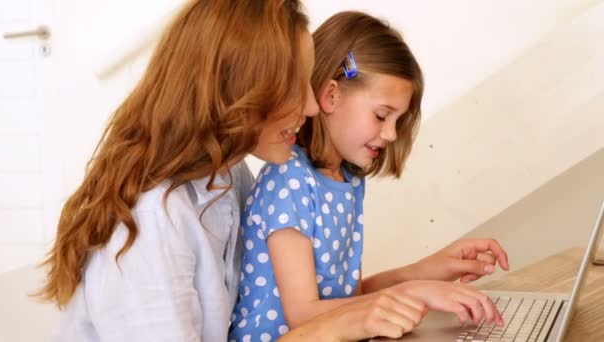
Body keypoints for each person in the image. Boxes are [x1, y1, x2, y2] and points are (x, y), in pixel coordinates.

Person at [34, 1, 430, 341]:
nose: (311, 108)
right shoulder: (151, 223)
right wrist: (332, 326)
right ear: (241, 89)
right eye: (297, 87)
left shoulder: (229, 178)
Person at [229, 11, 509, 341]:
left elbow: (350, 296)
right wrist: (415, 292)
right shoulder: (288, 181)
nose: (390, 134)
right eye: (381, 116)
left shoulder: (347, 180)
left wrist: (433, 270)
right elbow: (303, 315)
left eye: (397, 121)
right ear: (331, 96)